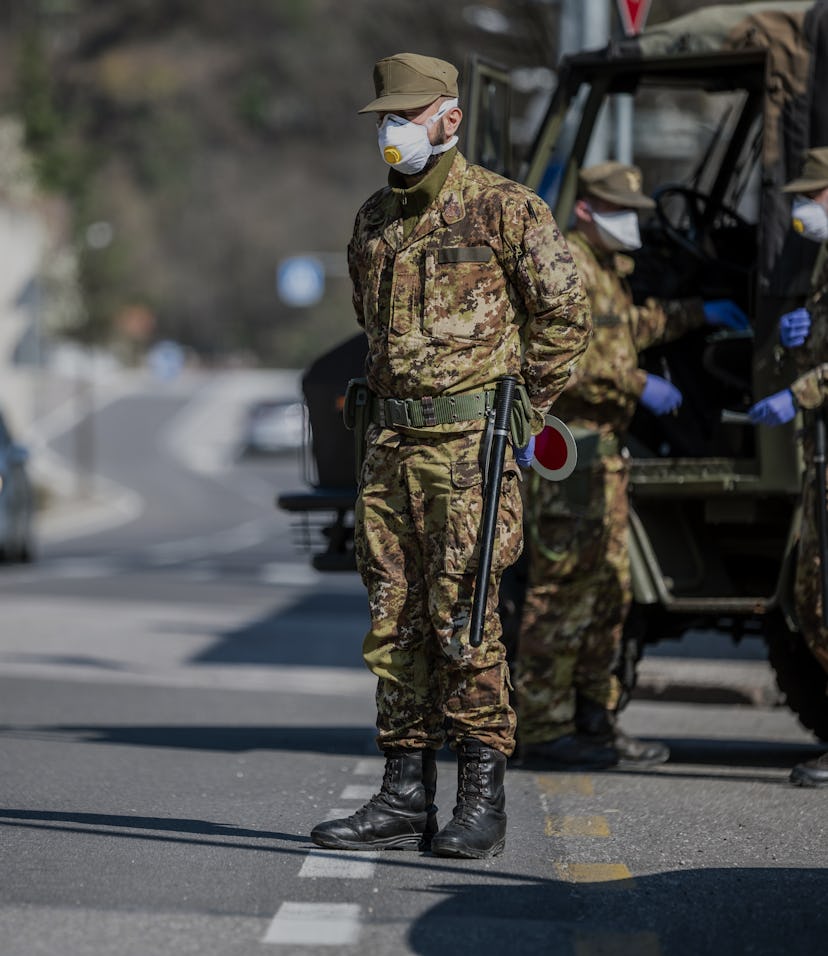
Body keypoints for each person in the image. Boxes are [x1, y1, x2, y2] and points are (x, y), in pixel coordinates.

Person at [310, 52, 592, 859]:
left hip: (471, 447)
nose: (394, 132)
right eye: (385, 120)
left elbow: (565, 321)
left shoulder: (506, 210)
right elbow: (373, 328)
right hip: (392, 446)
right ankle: (404, 792)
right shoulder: (373, 222)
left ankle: (481, 795)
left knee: (464, 615)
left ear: (450, 118)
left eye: (408, 116)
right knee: (393, 618)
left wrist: (517, 409)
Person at [514, 161, 749, 769]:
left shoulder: (605, 270)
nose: (632, 224)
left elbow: (628, 329)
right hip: (568, 448)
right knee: (560, 590)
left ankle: (596, 720)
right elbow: (551, 359)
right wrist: (638, 382)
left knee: (609, 593)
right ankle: (542, 727)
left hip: (603, 454)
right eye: (619, 210)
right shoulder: (562, 262)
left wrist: (700, 312)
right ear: (588, 210)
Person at [748, 146, 828, 789]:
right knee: (811, 599)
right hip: (819, 457)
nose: (804, 208)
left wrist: (798, 392)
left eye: (813, 195)